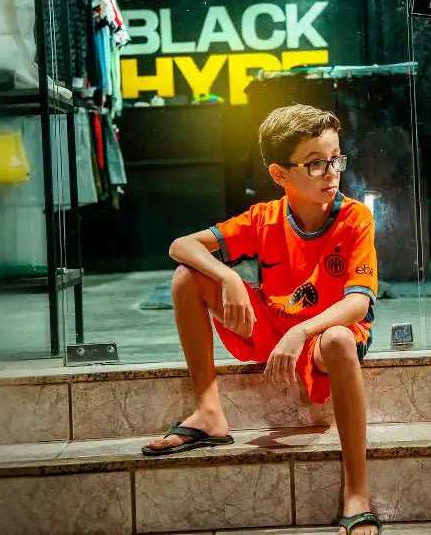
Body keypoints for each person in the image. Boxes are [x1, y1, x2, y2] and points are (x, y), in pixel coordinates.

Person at [144, 104, 381, 535]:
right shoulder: (265, 218)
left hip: (325, 334)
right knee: (187, 278)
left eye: (336, 159)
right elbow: (181, 245)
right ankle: (209, 412)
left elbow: (359, 304)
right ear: (279, 175)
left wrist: (302, 329)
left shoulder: (354, 217)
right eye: (315, 164)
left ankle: (357, 493)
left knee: (340, 340)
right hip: (274, 327)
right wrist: (226, 274)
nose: (332, 172)